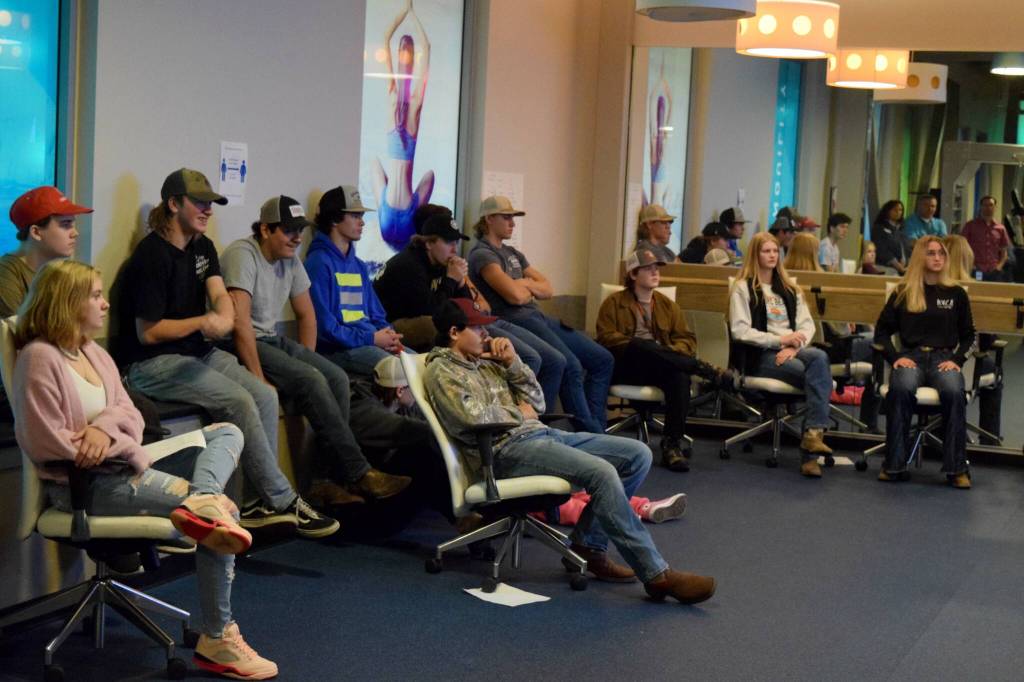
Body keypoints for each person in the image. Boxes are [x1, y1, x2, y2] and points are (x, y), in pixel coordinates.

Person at [11, 260, 278, 680]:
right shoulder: (39, 358)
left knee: (227, 431)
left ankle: (202, 499)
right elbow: (48, 442)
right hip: (85, 485)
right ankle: (217, 638)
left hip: (123, 463)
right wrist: (110, 439)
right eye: (95, 295)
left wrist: (102, 430)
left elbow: (131, 415)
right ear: (66, 304)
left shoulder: (94, 353)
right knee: (222, 515)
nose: (105, 303)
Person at [424, 298, 716, 602]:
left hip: (540, 435)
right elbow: (470, 416)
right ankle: (656, 574)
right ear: (454, 332)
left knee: (637, 454)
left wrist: (513, 364)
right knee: (601, 472)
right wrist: (517, 414)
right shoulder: (442, 370)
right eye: (477, 327)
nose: (487, 334)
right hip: (502, 451)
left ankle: (588, 544)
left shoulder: (485, 362)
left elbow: (536, 402)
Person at [118, 168, 338, 539]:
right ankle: (283, 499)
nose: (208, 210)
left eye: (211, 204)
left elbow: (219, 293)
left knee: (265, 394)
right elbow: (149, 332)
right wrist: (204, 321)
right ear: (174, 204)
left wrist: (222, 313)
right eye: (200, 203)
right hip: (152, 364)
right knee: (239, 400)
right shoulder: (150, 256)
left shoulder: (202, 247)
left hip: (197, 354)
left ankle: (255, 504)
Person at [220, 195, 411, 503]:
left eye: (299, 230)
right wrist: (259, 377)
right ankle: (357, 473)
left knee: (334, 377)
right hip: (238, 340)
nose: (296, 237)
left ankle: (328, 478)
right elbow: (239, 322)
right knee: (311, 380)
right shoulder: (243, 254)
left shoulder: (291, 258)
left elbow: (306, 314)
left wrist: (308, 359)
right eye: (288, 230)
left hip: (270, 338)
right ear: (266, 230)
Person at [468, 195, 613, 434]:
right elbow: (514, 297)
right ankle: (589, 433)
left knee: (601, 359)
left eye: (513, 218)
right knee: (569, 365)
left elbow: (547, 288)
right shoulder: (482, 254)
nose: (512, 223)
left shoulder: (513, 252)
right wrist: (525, 286)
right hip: (517, 319)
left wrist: (523, 285)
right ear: (489, 219)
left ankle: (599, 426)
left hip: (538, 317)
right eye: (506, 217)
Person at [596, 248, 734, 472]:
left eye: (657, 268)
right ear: (633, 274)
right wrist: (647, 348)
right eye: (648, 269)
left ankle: (672, 444)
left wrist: (667, 352)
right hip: (627, 366)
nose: (655, 273)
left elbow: (686, 339)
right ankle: (705, 370)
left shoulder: (667, 305)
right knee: (643, 345)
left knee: (679, 375)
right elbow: (606, 338)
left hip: (661, 367)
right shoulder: (613, 303)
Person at [728, 232, 833, 478]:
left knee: (819, 358)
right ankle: (810, 456)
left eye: (775, 251)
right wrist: (779, 340)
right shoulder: (743, 288)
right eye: (766, 251)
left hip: (792, 350)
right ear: (756, 254)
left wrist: (793, 347)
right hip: (761, 355)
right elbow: (740, 331)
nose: (772, 255)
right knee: (815, 376)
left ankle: (812, 435)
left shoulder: (789, 288)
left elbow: (808, 326)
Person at [874, 236, 975, 488]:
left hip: (944, 358)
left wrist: (957, 360)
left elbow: (969, 336)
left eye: (941, 253)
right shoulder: (904, 292)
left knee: (954, 391)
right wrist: (895, 358)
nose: (938, 257)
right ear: (921, 257)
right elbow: (881, 333)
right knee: (902, 388)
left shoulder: (956, 293)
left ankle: (957, 469)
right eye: (931, 253)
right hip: (912, 356)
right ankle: (894, 464)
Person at [306, 185, 403, 376]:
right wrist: (371, 338)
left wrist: (388, 335)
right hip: (339, 350)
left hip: (368, 342)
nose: (362, 223)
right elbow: (325, 328)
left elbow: (376, 314)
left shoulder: (358, 265)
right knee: (401, 371)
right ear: (334, 219)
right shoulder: (318, 263)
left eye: (362, 216)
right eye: (355, 216)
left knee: (421, 364)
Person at [370, 0, 434, 251]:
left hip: (387, 211)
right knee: (430, 175)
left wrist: (403, 12)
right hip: (405, 212)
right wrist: (413, 13)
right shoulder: (416, 104)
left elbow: (385, 38)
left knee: (374, 162)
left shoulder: (391, 94)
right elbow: (426, 47)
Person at [944, 234, 1002, 445]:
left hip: (932, 360)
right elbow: (985, 341)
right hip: (966, 364)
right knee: (995, 371)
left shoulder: (929, 287)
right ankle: (990, 438)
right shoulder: (976, 293)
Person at [1, 186, 92, 317]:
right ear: (36, 232)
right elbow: (19, 334)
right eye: (66, 225)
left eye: (73, 225)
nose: (75, 233)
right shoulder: (7, 274)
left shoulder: (60, 272)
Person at [961, 195, 1011, 282]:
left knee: (994, 294)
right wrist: (971, 265)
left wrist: (999, 267)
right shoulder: (970, 225)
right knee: (977, 293)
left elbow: (1004, 252)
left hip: (994, 270)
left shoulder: (1001, 228)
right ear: (981, 207)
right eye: (985, 205)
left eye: (991, 205)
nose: (988, 208)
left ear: (995, 207)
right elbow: (962, 247)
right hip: (976, 269)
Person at [872, 199, 908, 275]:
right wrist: (897, 264)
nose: (898, 212)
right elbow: (881, 249)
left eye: (900, 210)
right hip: (886, 267)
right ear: (887, 211)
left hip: (903, 269)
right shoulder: (879, 228)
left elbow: (905, 249)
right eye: (895, 210)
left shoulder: (901, 229)